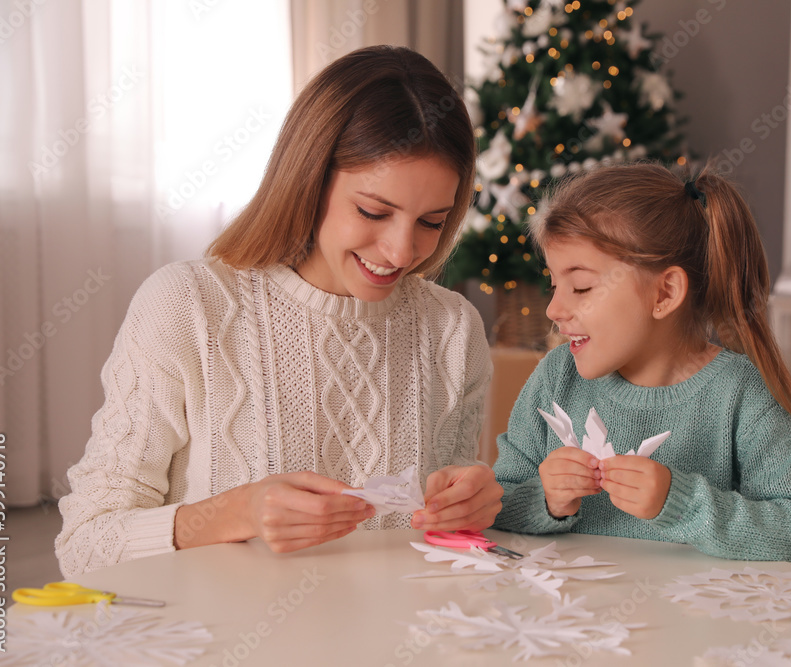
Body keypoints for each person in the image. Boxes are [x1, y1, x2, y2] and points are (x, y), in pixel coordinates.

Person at [56, 45, 502, 577]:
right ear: (308, 181)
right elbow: (84, 544)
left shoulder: (451, 329)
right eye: (373, 211)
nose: (403, 253)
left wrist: (470, 507)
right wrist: (235, 513)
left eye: (432, 221)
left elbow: (445, 534)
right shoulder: (189, 307)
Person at [491, 162, 791, 570]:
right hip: (575, 622)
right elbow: (496, 507)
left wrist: (682, 504)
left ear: (665, 292)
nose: (554, 308)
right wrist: (547, 500)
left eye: (581, 287)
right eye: (554, 284)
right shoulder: (556, 377)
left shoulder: (742, 395)